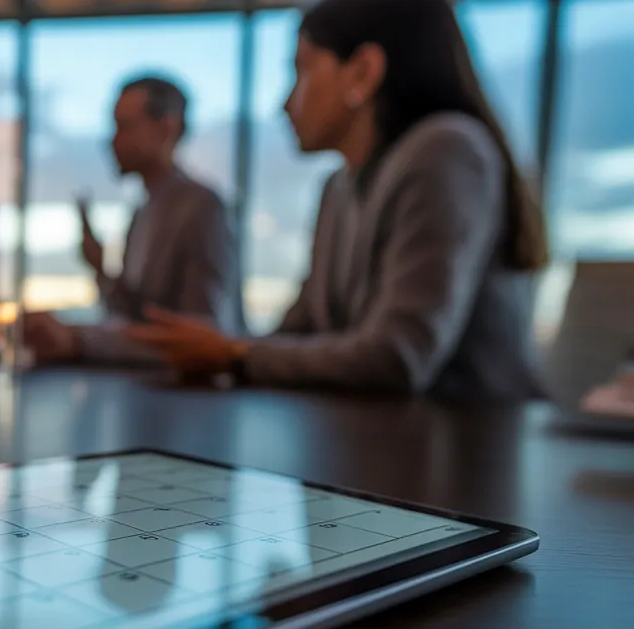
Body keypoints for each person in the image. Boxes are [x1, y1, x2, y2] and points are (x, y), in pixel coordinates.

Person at [129, 0, 548, 401]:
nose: (286, 103)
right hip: (380, 445)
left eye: (302, 70)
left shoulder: (446, 148)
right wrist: (217, 349)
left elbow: (398, 356)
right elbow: (300, 330)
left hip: (466, 455)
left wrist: (236, 353)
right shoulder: (338, 186)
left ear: (362, 73)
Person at [23, 75, 245, 366]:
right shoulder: (143, 210)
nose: (112, 140)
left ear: (167, 128)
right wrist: (100, 268)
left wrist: (77, 339)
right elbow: (134, 316)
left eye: (124, 127)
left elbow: (198, 336)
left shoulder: (202, 207)